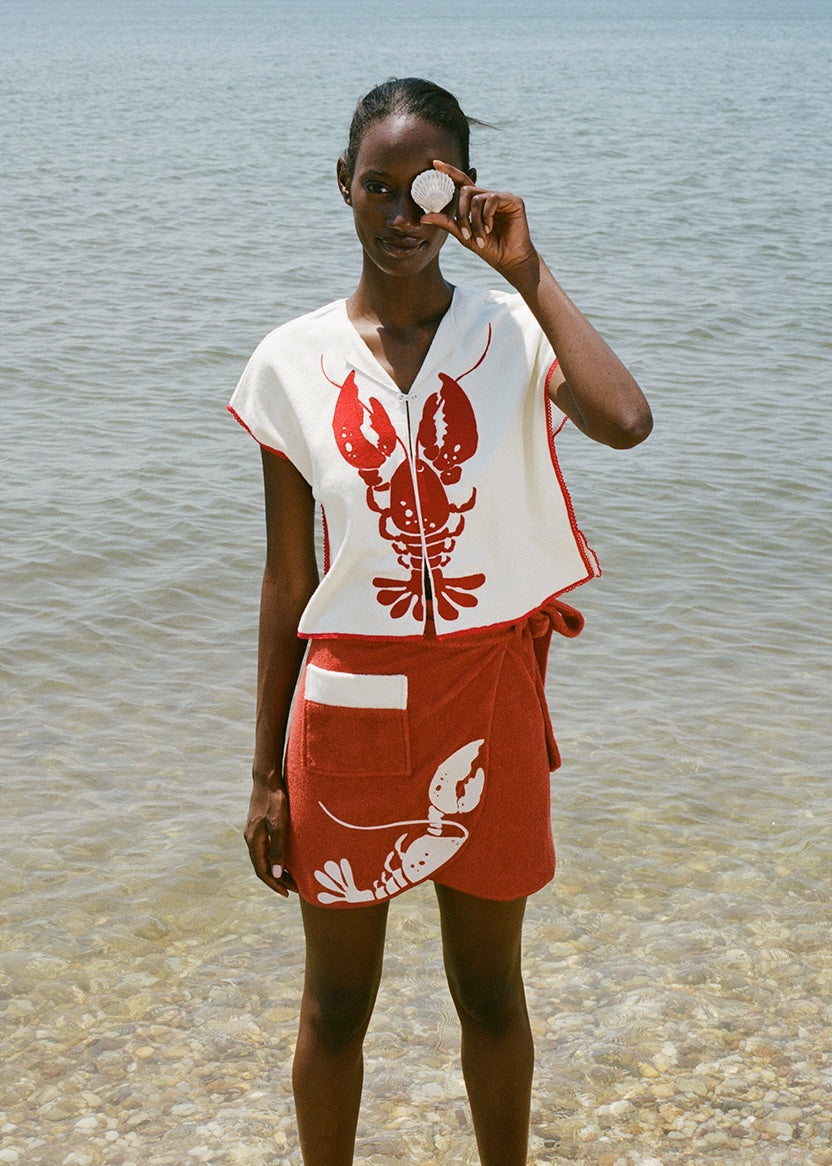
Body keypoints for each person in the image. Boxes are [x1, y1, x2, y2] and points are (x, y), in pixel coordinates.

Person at [228, 77, 652, 1166]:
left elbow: (625, 420)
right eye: (379, 187)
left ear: (458, 192)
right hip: (347, 707)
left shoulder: (510, 327)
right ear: (344, 188)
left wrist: (528, 269)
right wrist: (268, 772)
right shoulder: (290, 359)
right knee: (333, 1005)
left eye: (426, 189)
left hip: (486, 689)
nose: (401, 216)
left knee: (490, 994)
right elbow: (289, 581)